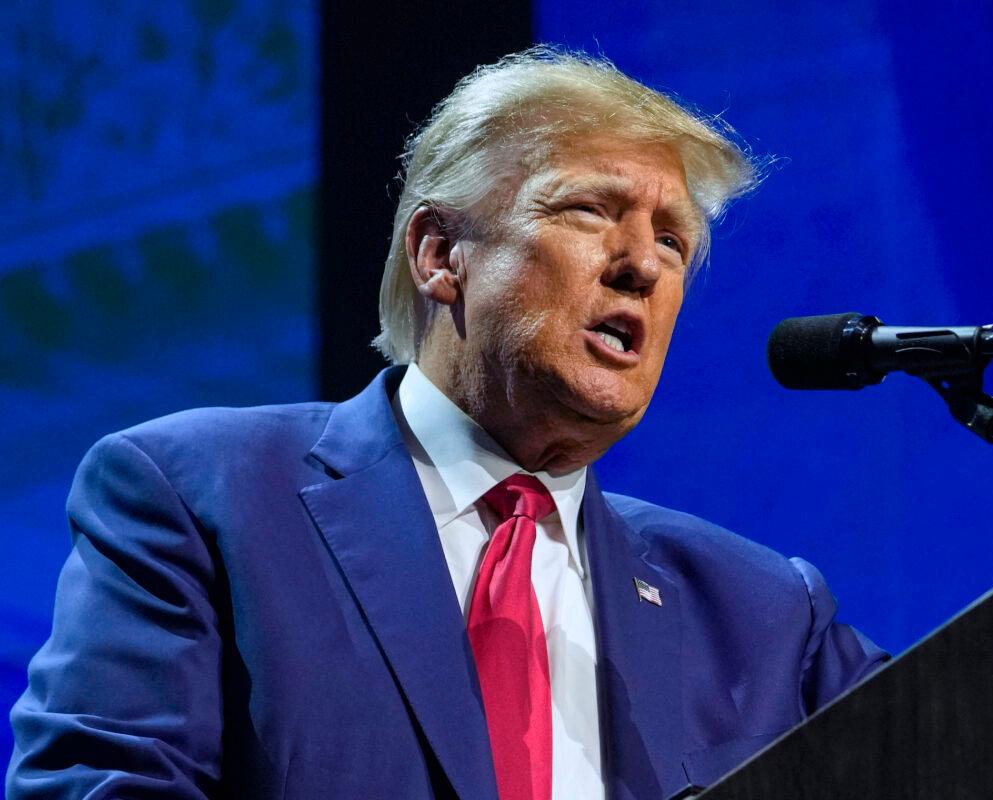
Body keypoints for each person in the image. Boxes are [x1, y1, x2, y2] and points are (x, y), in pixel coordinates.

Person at [7, 47, 886, 800]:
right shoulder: (201, 497)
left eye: (674, 242)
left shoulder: (764, 614)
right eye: (591, 210)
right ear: (439, 254)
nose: (642, 267)